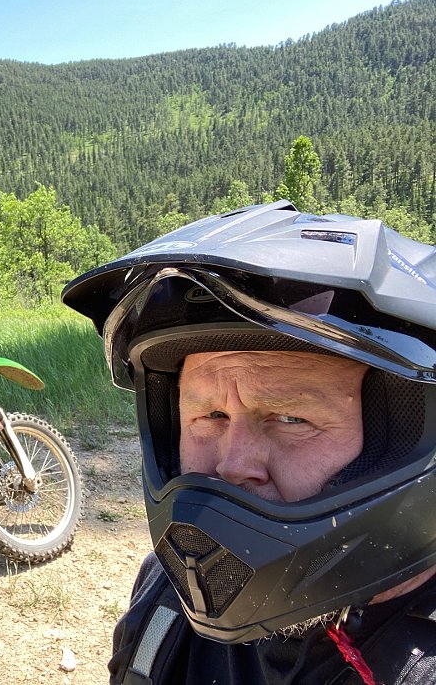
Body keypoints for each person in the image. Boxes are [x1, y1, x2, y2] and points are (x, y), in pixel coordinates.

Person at [62, 200, 436, 685]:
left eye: (289, 416)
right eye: (210, 414)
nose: (231, 465)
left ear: (410, 436)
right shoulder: (166, 600)